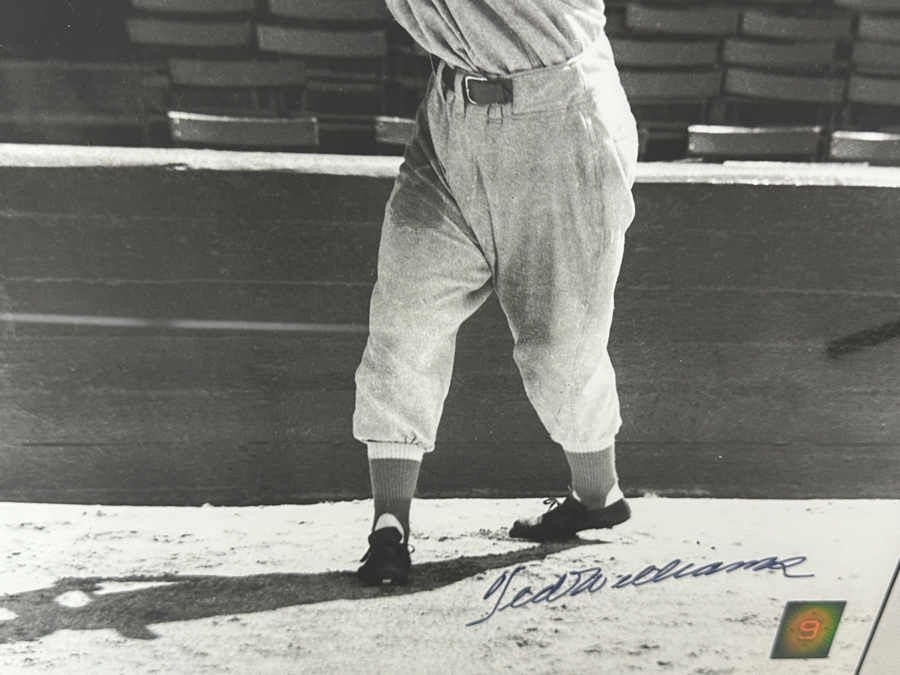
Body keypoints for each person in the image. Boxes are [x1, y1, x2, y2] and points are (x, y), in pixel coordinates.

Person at [354, 0, 639, 586]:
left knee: (560, 351)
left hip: (560, 124)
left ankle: (597, 495)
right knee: (405, 320)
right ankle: (390, 523)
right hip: (452, 123)